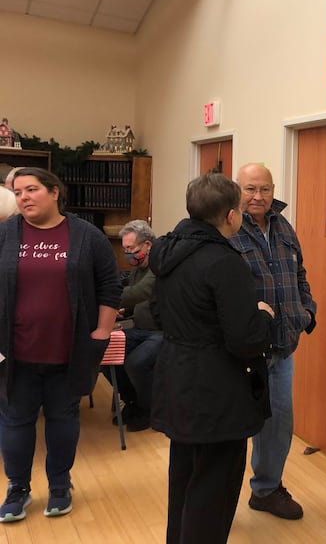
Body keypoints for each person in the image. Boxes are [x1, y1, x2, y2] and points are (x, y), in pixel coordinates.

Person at [148, 172, 279, 544]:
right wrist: (264, 317)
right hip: (217, 392)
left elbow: (156, 311)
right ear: (232, 216)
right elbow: (244, 339)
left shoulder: (167, 253)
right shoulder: (225, 262)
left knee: (185, 480)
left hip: (177, 377)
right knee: (214, 490)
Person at [0, 167, 121, 522]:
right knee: (15, 421)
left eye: (32, 189)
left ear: (55, 193)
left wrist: (101, 334)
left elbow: (110, 287)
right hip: (14, 354)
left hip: (69, 353)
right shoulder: (5, 235)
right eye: (18, 192)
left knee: (62, 419)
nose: (23, 197)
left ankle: (59, 485)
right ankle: (17, 488)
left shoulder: (86, 236)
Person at [229, 162, 316, 520]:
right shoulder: (229, 229)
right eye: (250, 189)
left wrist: (306, 311)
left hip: (282, 348)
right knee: (234, 426)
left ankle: (265, 489)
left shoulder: (283, 227)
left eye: (264, 189)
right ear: (238, 190)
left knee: (278, 422)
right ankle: (219, 500)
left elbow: (299, 274)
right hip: (242, 351)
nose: (258, 196)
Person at [103, 219, 162, 432]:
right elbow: (134, 301)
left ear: (147, 245)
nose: (127, 254)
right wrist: (123, 311)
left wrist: (107, 300)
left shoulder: (159, 265)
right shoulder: (138, 268)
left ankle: (149, 410)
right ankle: (133, 401)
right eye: (125, 249)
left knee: (136, 363)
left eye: (131, 249)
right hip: (139, 329)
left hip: (160, 332)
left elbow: (140, 293)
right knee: (106, 356)